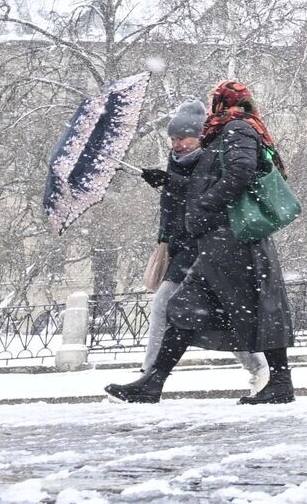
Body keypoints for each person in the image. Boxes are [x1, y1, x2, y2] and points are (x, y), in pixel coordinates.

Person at [106, 82, 295, 405]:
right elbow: (212, 178)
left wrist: (206, 204)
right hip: (224, 243)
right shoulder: (230, 131)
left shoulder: (236, 129)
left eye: (215, 102)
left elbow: (240, 173)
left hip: (232, 242)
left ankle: (278, 382)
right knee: (189, 308)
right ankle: (153, 382)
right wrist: (171, 181)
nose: (211, 109)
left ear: (224, 103)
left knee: (253, 310)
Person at [136, 99, 269, 396]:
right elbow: (173, 207)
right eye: (173, 138)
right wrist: (164, 237)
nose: (178, 144)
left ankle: (148, 376)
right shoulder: (176, 161)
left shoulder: (213, 156)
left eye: (184, 137)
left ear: (200, 136)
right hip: (184, 246)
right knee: (221, 313)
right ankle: (260, 369)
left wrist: (170, 181)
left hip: (207, 245)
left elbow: (205, 194)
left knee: (165, 304)